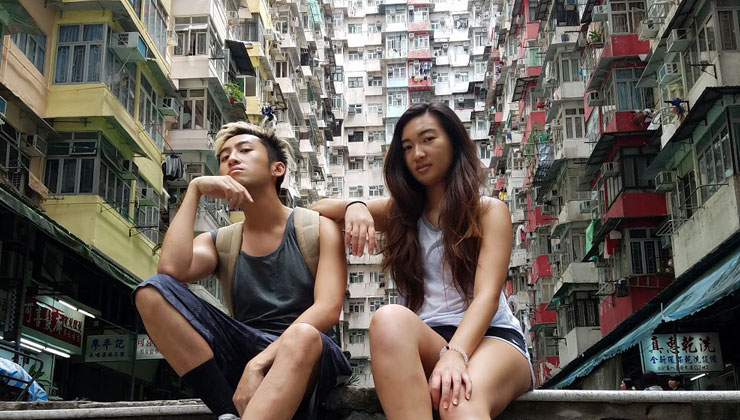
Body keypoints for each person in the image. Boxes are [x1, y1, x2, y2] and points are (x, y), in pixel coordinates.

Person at [312, 102, 533, 420]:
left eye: (428, 139)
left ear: (454, 143)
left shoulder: (488, 211)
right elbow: (315, 209)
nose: (417, 153)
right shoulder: (401, 215)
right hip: (425, 341)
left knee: (458, 402)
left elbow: (486, 296)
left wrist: (455, 353)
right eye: (407, 146)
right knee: (388, 318)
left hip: (490, 338)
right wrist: (356, 205)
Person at [133, 122, 351, 420]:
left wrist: (258, 364)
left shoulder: (316, 228)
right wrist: (195, 190)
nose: (232, 158)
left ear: (277, 169)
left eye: (245, 150)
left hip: (311, 353)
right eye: (224, 157)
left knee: (302, 336)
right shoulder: (222, 241)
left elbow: (327, 309)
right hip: (245, 345)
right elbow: (170, 270)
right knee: (152, 292)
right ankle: (227, 412)